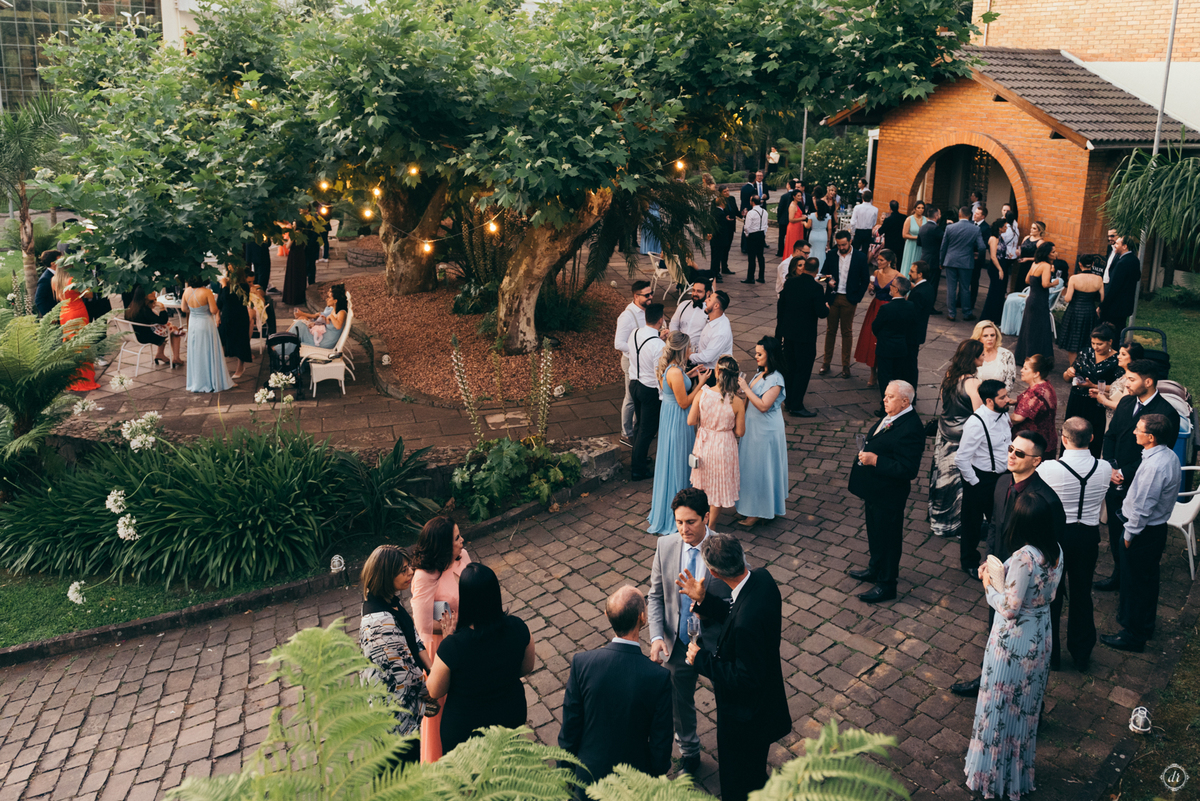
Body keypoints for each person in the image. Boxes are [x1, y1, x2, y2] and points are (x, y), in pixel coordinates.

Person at [963, 492, 1064, 800]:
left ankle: (991, 776)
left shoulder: (1023, 559)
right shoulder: (1056, 550)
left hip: (1014, 642)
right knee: (1024, 709)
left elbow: (1009, 608)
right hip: (1041, 632)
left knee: (999, 706)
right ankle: (1016, 772)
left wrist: (989, 586)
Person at [952, 431, 1066, 699]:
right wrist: (989, 561)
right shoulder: (1003, 482)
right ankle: (988, 680)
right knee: (994, 631)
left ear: (1036, 461)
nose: (1011, 456)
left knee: (1021, 649)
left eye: (1020, 453)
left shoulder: (1046, 501)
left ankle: (1023, 699)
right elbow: (994, 524)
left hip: (1027, 590)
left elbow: (1053, 552)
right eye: (1011, 449)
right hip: (1000, 575)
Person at [681, 533, 790, 801]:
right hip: (766, 701)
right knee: (753, 770)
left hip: (746, 716)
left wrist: (701, 659)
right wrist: (705, 602)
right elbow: (736, 613)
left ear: (713, 572)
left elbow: (744, 677)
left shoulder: (745, 623)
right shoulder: (762, 578)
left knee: (736, 778)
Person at [647, 488, 732, 776]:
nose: (684, 529)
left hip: (716, 644)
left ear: (706, 517)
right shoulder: (665, 546)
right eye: (679, 522)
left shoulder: (725, 547)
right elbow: (655, 596)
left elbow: (739, 600)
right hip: (678, 642)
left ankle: (734, 753)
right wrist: (657, 636)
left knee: (730, 700)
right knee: (679, 703)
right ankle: (690, 752)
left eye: (691, 522)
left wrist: (705, 598)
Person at [559, 586, 672, 785]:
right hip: (634, 782)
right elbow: (660, 746)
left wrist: (565, 777)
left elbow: (570, 730)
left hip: (588, 778)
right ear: (643, 618)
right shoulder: (658, 677)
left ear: (606, 616)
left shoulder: (582, 663)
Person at [425, 563, 535, 753]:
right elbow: (526, 668)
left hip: (466, 729)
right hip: (509, 715)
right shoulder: (518, 627)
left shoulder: (453, 646)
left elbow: (435, 690)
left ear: (465, 599)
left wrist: (446, 641)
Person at [1096, 359, 1181, 592]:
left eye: (1131, 379)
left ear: (1149, 381)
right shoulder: (1125, 402)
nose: (1126, 382)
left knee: (1133, 537)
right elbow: (1111, 435)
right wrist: (1111, 467)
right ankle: (1118, 574)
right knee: (1115, 531)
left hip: (1142, 484)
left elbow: (1161, 452)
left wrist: (1124, 472)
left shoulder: (1167, 414)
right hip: (1115, 480)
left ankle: (1131, 581)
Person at [1101, 413, 1182, 653]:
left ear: (1151, 437)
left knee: (1134, 585)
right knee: (1146, 582)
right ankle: (1144, 625)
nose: (1134, 432)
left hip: (1142, 534)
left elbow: (1142, 506)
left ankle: (1132, 635)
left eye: (1138, 429)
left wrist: (1128, 537)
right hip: (1153, 532)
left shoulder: (1155, 467)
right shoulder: (1167, 456)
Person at [1038, 417, 1112, 671]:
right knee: (1082, 594)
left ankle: (1052, 655)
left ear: (1063, 438)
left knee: (1053, 595)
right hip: (1089, 536)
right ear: (1092, 438)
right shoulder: (1104, 468)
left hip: (1059, 535)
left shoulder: (1049, 469)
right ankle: (1081, 654)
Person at [847, 380, 926, 603]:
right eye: (885, 395)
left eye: (890, 397)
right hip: (875, 489)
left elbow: (907, 469)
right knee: (874, 531)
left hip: (889, 493)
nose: (884, 399)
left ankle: (887, 584)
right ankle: (875, 568)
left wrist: (876, 460)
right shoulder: (893, 415)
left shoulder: (911, 428)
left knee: (889, 538)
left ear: (905, 401)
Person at [359, 545, 435, 759]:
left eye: (408, 566)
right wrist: (431, 691)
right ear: (385, 576)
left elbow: (414, 638)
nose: (411, 572)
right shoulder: (378, 623)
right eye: (403, 570)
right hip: (396, 717)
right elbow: (403, 675)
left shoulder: (388, 600)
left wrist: (432, 668)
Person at [411, 516, 471, 762]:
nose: (462, 541)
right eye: (456, 538)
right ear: (443, 545)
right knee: (440, 705)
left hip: (466, 634)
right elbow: (423, 623)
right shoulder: (423, 576)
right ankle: (437, 758)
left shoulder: (463, 557)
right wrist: (452, 626)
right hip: (439, 645)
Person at [647, 334, 708, 534]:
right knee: (678, 460)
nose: (692, 350)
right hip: (677, 421)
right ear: (682, 349)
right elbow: (684, 402)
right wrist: (700, 383)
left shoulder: (675, 368)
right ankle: (680, 513)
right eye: (690, 347)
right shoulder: (674, 372)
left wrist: (689, 375)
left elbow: (677, 383)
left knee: (677, 459)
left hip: (672, 418)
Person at [956, 379, 1013, 575]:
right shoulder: (976, 423)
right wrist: (975, 482)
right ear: (989, 401)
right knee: (971, 522)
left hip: (1002, 477)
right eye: (1003, 397)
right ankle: (969, 562)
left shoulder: (1003, 415)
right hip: (980, 478)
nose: (1008, 400)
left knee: (1000, 520)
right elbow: (961, 458)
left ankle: (999, 560)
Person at [929, 339, 985, 538]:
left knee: (943, 477)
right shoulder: (973, 383)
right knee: (959, 482)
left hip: (944, 431)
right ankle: (955, 522)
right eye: (981, 354)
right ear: (973, 357)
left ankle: (939, 519)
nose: (984, 357)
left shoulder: (949, 376)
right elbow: (979, 415)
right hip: (962, 437)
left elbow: (945, 402)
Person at [735, 337, 787, 527]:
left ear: (770, 355)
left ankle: (758, 511)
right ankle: (750, 506)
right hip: (753, 428)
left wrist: (746, 389)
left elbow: (764, 405)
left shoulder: (776, 379)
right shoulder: (761, 373)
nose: (755, 357)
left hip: (765, 431)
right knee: (750, 467)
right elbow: (752, 396)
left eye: (759, 354)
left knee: (760, 469)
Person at [688, 356, 745, 528]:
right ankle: (711, 526)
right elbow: (740, 432)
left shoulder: (702, 394)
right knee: (719, 487)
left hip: (704, 444)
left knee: (704, 484)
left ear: (718, 372)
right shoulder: (737, 401)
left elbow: (691, 421)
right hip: (724, 446)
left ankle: (701, 521)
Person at [775, 256, 830, 418]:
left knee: (790, 368)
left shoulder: (790, 283)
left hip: (789, 334)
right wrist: (826, 306)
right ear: (817, 271)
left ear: (804, 267)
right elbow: (821, 313)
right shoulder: (816, 288)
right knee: (803, 371)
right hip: (805, 337)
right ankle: (797, 405)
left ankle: (789, 400)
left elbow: (782, 307)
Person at [1061, 324, 1122, 457]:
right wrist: (1068, 372)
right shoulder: (1085, 353)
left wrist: (1092, 385)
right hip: (1076, 400)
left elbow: (1117, 387)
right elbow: (1066, 378)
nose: (1095, 347)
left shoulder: (1116, 361)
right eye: (1093, 343)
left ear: (1110, 342)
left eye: (1099, 344)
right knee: (1071, 434)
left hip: (1096, 404)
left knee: (1092, 437)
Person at [818, 231, 871, 379]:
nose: (841, 247)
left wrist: (857, 297)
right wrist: (827, 281)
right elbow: (821, 276)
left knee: (847, 332)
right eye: (839, 244)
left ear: (850, 241)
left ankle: (845, 365)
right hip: (833, 298)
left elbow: (865, 280)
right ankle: (826, 363)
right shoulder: (831, 254)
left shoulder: (860, 257)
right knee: (830, 331)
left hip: (849, 299)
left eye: (844, 244)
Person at [628, 303, 667, 481]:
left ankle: (637, 458)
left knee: (639, 425)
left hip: (634, 384)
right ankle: (638, 469)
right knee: (647, 430)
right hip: (649, 390)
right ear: (661, 320)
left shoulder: (634, 333)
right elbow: (659, 373)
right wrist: (663, 396)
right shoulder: (658, 345)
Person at [871, 275, 918, 414]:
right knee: (898, 378)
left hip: (885, 348)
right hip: (901, 347)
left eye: (892, 285)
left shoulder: (886, 308)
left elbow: (875, 327)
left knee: (885, 378)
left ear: (896, 289)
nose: (890, 288)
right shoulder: (910, 306)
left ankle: (885, 407)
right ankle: (898, 406)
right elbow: (912, 326)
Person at [853, 248, 899, 389]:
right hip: (875, 307)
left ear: (889, 261)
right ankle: (873, 372)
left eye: (881, 260)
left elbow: (903, 293)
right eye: (877, 259)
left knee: (884, 340)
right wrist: (871, 289)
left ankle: (884, 371)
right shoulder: (876, 273)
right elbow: (872, 292)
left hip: (889, 309)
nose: (877, 262)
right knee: (871, 339)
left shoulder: (897, 276)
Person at [614, 281, 651, 445]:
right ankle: (626, 434)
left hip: (645, 362)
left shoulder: (647, 311)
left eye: (651, 293)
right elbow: (618, 343)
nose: (651, 297)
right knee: (630, 398)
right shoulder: (627, 317)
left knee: (641, 397)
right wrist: (638, 349)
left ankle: (638, 429)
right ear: (636, 296)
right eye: (647, 295)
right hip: (631, 361)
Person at [182, 277, 233, 394]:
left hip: (193, 323)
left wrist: (194, 310)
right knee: (207, 350)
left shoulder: (187, 291)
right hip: (205, 323)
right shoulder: (206, 292)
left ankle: (197, 381)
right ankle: (210, 380)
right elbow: (214, 310)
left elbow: (184, 308)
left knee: (196, 352)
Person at [1013, 241, 1058, 370]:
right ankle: (1037, 359)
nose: (1056, 254)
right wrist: (1054, 282)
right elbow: (1045, 284)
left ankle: (1024, 356)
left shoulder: (1035, 264)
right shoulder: (1046, 266)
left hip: (1031, 299)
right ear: (1047, 254)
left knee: (1029, 328)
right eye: (1053, 252)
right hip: (1040, 301)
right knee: (1040, 330)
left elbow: (1027, 280)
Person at [939, 206, 986, 322]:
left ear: (959, 215)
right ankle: (966, 313)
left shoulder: (950, 228)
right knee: (965, 288)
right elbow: (982, 247)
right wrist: (978, 256)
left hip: (951, 260)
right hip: (966, 261)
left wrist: (941, 261)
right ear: (970, 215)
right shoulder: (975, 229)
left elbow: (943, 246)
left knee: (951, 287)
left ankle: (951, 313)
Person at [1008, 354, 1058, 460]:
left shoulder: (1035, 393)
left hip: (1034, 445)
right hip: (1047, 440)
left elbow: (1017, 418)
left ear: (1036, 374)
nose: (1021, 370)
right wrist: (1016, 401)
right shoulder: (1045, 385)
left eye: (1026, 368)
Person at [1057, 257, 1105, 359]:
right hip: (1090, 312)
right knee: (1087, 341)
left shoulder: (1074, 278)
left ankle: (1073, 369)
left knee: (1073, 343)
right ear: (1092, 264)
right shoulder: (1099, 279)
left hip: (1075, 312)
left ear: (1080, 264)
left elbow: (1068, 298)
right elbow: (1102, 299)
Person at [1091, 341, 1144, 425]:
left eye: (1123, 354)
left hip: (1119, 421)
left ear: (1134, 358)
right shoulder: (1124, 375)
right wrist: (1103, 394)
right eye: (1119, 353)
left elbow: (1124, 405)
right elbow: (1119, 397)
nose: (1118, 357)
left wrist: (1104, 401)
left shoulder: (1131, 380)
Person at [1099, 235, 1140, 334]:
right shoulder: (1135, 260)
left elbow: (1113, 287)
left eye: (1117, 243)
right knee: (1120, 331)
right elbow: (1137, 277)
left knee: (1109, 333)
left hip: (1114, 307)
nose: (1115, 245)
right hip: (1125, 305)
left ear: (1125, 246)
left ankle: (1111, 350)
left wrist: (1102, 306)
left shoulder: (1122, 263)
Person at [289, 283, 348, 351]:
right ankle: (283, 343)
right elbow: (331, 325)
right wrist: (325, 319)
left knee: (300, 325)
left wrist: (331, 317)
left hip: (324, 342)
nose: (327, 299)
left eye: (329, 298)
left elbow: (338, 326)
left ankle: (282, 346)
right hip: (323, 337)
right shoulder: (334, 310)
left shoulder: (341, 312)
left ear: (335, 301)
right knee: (300, 325)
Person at [217, 274, 253, 380]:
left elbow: (229, 300)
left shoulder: (243, 286)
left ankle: (240, 367)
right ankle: (222, 367)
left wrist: (224, 286)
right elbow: (220, 301)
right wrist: (217, 315)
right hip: (226, 316)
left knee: (240, 341)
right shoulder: (225, 285)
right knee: (222, 339)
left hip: (239, 316)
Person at [907, 261, 935, 386]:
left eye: (912, 271)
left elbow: (914, 315)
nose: (909, 273)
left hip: (912, 334)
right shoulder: (927, 287)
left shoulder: (918, 293)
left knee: (910, 365)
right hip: (918, 333)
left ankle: (911, 391)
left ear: (920, 274)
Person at [690, 290, 733, 371]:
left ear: (716, 306)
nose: (705, 300)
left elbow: (707, 357)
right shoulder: (717, 318)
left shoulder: (721, 331)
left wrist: (689, 356)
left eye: (709, 300)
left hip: (713, 372)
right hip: (703, 367)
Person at [978, 218, 1010, 325]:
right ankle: (988, 316)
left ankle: (996, 316)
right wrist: (1000, 269)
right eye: (1005, 226)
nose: (1006, 228)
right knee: (994, 291)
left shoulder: (1001, 237)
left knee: (1000, 292)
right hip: (996, 267)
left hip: (1002, 264)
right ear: (1000, 228)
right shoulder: (993, 238)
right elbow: (993, 256)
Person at [971, 319, 1016, 393]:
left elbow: (1010, 383)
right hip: (975, 397)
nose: (990, 339)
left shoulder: (1007, 355)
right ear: (978, 337)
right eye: (985, 336)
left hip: (999, 399)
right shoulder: (972, 354)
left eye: (992, 335)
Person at [282, 215, 311, 306]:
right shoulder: (304, 233)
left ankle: (292, 297)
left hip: (294, 255)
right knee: (299, 274)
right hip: (301, 255)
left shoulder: (295, 234)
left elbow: (288, 246)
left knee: (293, 274)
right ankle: (299, 297)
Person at [711, 186, 739, 280]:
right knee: (719, 250)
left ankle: (725, 267)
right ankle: (716, 270)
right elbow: (714, 215)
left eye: (728, 190)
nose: (727, 193)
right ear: (720, 193)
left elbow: (735, 211)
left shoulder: (732, 199)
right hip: (722, 229)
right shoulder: (716, 201)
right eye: (725, 191)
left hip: (730, 228)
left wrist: (741, 214)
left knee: (727, 248)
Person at [741, 194, 769, 284]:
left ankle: (750, 278)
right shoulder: (765, 212)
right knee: (760, 256)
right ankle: (761, 277)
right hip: (761, 235)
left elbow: (747, 227)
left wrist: (747, 234)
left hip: (752, 235)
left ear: (752, 202)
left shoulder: (751, 213)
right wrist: (763, 234)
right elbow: (765, 225)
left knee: (752, 257)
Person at [968, 206, 992, 312]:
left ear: (983, 216)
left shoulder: (986, 228)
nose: (974, 214)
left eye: (977, 214)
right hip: (967, 256)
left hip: (977, 258)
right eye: (975, 212)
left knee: (974, 280)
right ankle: (960, 300)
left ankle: (971, 303)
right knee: (964, 279)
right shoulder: (970, 224)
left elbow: (985, 243)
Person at [918, 206, 944, 300]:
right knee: (933, 284)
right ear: (936, 216)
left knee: (924, 282)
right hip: (934, 259)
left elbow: (919, 243)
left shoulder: (922, 228)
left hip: (924, 257)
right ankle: (930, 305)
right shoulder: (936, 229)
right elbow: (944, 241)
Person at [1013, 220, 1044, 293]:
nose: (1031, 230)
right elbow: (1021, 249)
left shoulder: (1040, 242)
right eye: (1031, 228)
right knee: (1019, 283)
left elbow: (1041, 258)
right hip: (1022, 264)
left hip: (1030, 266)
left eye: (1034, 228)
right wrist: (1018, 252)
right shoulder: (1026, 238)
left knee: (1025, 284)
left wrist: (1027, 259)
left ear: (1040, 231)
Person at [781, 186, 809, 261]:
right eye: (798, 196)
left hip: (798, 227)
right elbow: (791, 219)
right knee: (793, 245)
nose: (800, 197)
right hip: (794, 228)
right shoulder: (792, 205)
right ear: (794, 196)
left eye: (800, 196)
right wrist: (802, 218)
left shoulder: (796, 204)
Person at [899, 201, 926, 278]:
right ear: (915, 209)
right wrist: (917, 237)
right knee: (909, 262)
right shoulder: (909, 219)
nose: (921, 210)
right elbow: (904, 235)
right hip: (911, 245)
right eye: (919, 208)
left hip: (920, 246)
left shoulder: (926, 219)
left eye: (922, 208)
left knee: (918, 264)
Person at [849, 189, 878, 253]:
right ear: (871, 199)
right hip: (868, 232)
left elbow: (853, 222)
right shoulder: (875, 209)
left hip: (859, 231)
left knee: (855, 251)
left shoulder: (857, 207)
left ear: (862, 198)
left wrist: (853, 233)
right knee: (865, 251)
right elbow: (874, 223)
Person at [775, 177, 798, 258]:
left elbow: (780, 208)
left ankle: (780, 251)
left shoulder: (784, 196)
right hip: (792, 220)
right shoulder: (796, 196)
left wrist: (779, 218)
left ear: (788, 185)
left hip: (783, 220)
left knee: (781, 236)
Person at [34, 249, 58, 318]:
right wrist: (49, 317)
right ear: (53, 264)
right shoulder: (45, 279)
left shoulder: (58, 275)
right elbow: (39, 299)